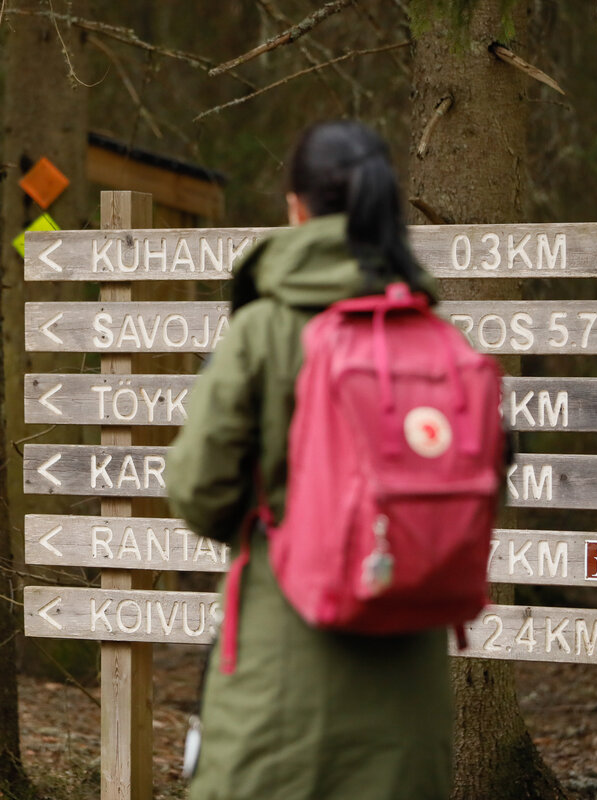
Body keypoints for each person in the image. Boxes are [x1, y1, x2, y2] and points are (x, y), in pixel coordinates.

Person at [166, 120, 453, 800]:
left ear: (296, 208)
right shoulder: (435, 337)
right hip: (412, 696)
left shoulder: (262, 332)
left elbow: (198, 490)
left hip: (279, 679)